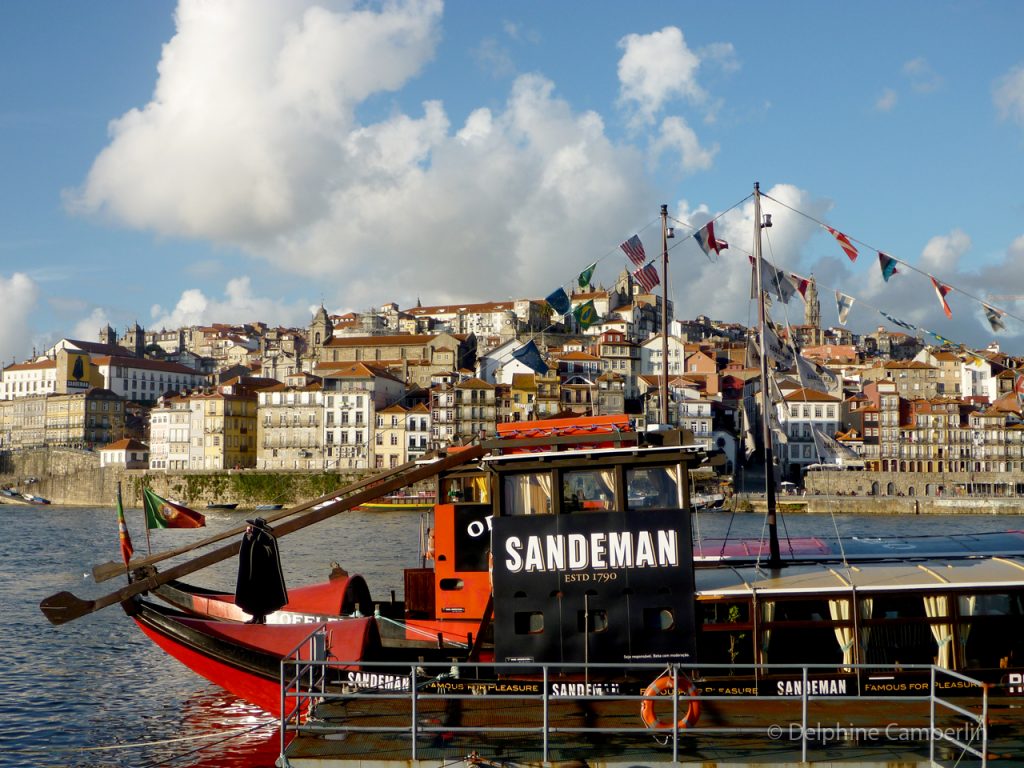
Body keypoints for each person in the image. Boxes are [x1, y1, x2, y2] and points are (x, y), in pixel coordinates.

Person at [235, 517, 288, 624]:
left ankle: (260, 617)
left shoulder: (266, 538)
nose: (249, 528)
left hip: (263, 574)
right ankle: (256, 617)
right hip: (251, 573)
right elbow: (246, 552)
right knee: (252, 595)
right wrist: (248, 538)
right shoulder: (251, 536)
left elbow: (268, 555)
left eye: (251, 526)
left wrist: (252, 540)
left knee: (262, 596)